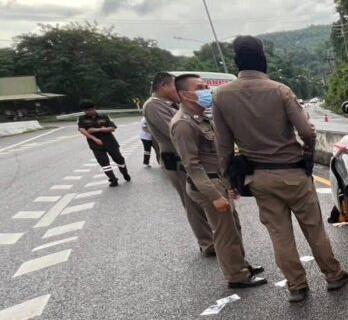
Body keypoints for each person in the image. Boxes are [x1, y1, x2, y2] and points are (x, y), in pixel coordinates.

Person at [214, 36, 348, 302]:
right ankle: (333, 275)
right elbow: (306, 132)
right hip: (293, 172)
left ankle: (297, 286)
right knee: (314, 229)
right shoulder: (280, 90)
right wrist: (307, 153)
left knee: (280, 235)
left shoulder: (221, 96)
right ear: (262, 59)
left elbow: (223, 145)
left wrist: (228, 180)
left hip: (258, 177)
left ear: (236, 61)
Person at [170, 74, 267, 290]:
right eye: (200, 87)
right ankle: (236, 276)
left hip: (218, 181)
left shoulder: (201, 118)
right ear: (185, 94)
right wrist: (215, 195)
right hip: (208, 186)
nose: (206, 90)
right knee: (224, 233)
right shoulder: (183, 124)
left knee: (233, 227)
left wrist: (228, 185)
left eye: (206, 86)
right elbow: (192, 165)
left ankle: (241, 265)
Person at [143, 72, 215, 257]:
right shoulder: (154, 106)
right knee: (192, 203)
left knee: (201, 200)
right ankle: (207, 242)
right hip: (176, 161)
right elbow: (173, 131)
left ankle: (212, 238)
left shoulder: (169, 104)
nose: (178, 91)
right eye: (175, 87)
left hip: (184, 158)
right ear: (163, 86)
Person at [77, 101, 131, 187]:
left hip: (110, 142)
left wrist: (97, 130)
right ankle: (113, 180)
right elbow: (82, 130)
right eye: (85, 110)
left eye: (89, 110)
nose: (87, 112)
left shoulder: (104, 116)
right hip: (95, 144)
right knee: (104, 163)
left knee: (119, 159)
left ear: (94, 108)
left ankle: (125, 173)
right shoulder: (82, 118)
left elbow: (112, 128)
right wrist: (94, 138)